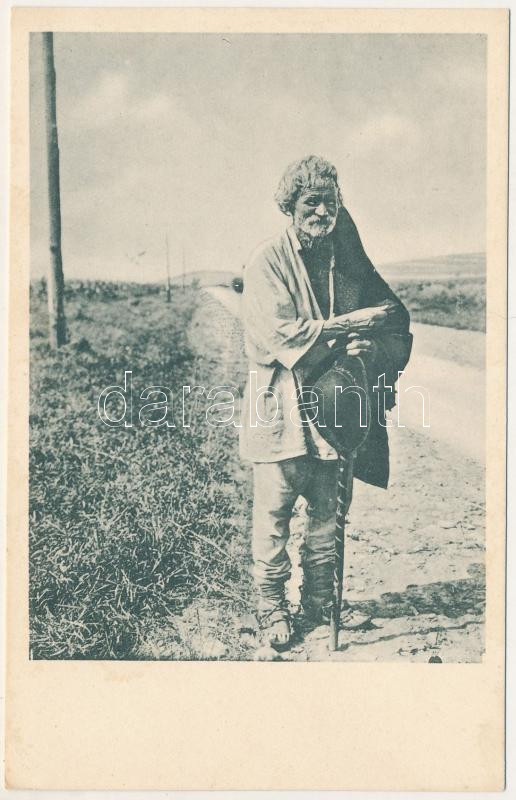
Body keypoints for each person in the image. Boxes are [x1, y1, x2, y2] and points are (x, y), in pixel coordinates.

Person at [240, 155, 412, 648]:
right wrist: (352, 326)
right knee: (274, 513)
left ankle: (320, 602)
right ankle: (271, 605)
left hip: (334, 403)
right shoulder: (267, 260)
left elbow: (387, 319)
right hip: (279, 403)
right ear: (289, 205)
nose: (322, 211)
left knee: (328, 511)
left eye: (330, 202)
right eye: (311, 201)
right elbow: (284, 335)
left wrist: (366, 346)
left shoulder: (344, 260)